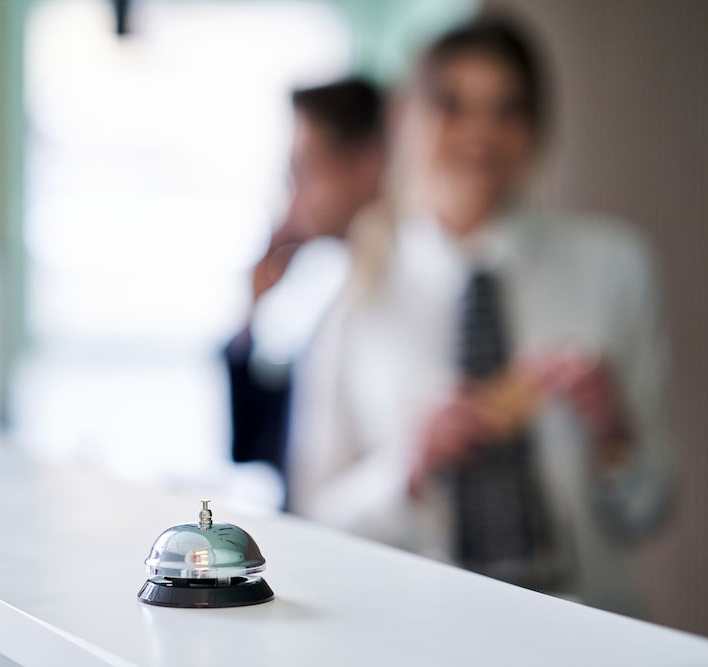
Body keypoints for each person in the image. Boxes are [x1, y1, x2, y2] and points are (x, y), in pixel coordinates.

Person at [286, 13, 672, 616]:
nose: (480, 133)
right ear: (406, 118)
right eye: (452, 105)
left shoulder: (615, 268)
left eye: (507, 109)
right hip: (420, 634)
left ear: (537, 126)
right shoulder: (356, 288)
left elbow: (650, 507)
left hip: (588, 628)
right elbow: (312, 515)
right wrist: (407, 467)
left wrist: (613, 432)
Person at [227, 78, 385, 479]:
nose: (293, 194)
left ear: (367, 164)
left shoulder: (395, 290)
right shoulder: (335, 283)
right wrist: (252, 311)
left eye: (304, 169)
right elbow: (260, 448)